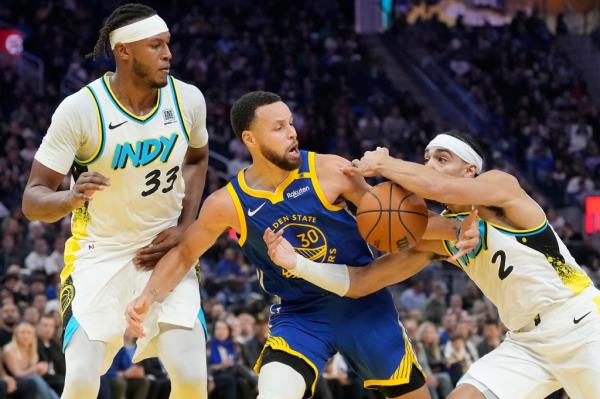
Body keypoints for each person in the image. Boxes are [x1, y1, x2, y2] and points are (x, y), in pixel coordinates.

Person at [125, 91, 471, 399]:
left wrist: (455, 230)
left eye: (290, 123)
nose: (291, 132)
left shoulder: (330, 170)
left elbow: (396, 220)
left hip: (365, 304)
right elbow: (186, 253)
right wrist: (148, 297)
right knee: (275, 391)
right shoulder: (227, 203)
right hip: (301, 313)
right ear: (250, 139)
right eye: (278, 127)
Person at [265, 131, 600, 398]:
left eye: (442, 158)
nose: (430, 166)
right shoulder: (440, 233)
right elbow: (364, 281)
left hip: (581, 325)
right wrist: (298, 262)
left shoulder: (502, 188)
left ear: (470, 171)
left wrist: (383, 162)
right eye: (427, 159)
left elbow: (438, 186)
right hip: (526, 344)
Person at [21, 4, 209, 398]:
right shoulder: (80, 110)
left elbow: (197, 156)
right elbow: (32, 201)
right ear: (124, 51)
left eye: (168, 44)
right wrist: (70, 198)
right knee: (81, 379)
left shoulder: (188, 100)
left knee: (191, 376)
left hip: (164, 252)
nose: (168, 54)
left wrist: (184, 225)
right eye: (156, 45)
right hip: (99, 253)